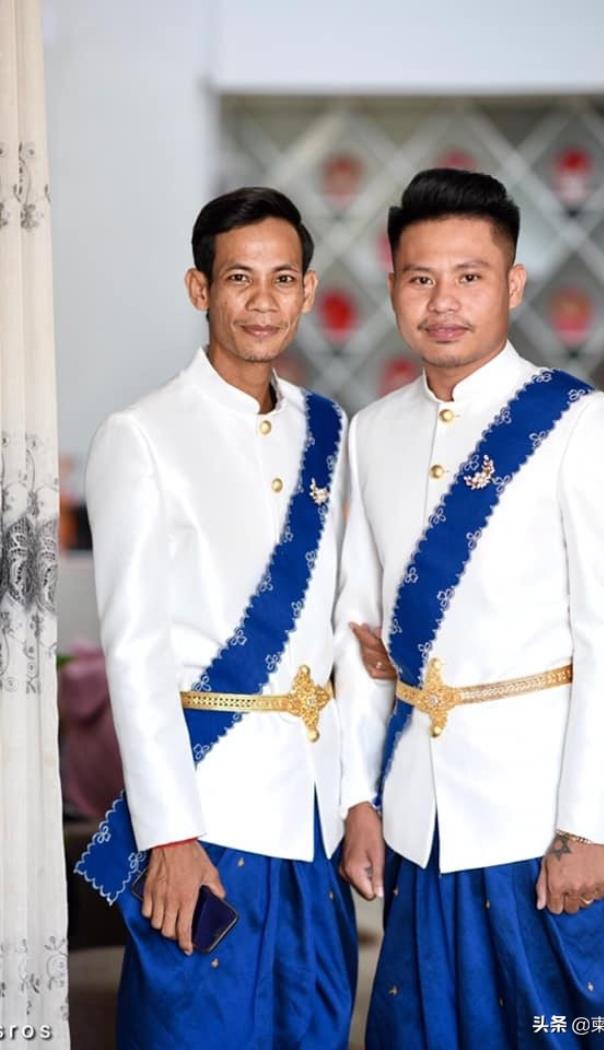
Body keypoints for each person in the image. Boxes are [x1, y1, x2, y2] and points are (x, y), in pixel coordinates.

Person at [336, 168, 604, 1049]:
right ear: (394, 287)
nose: (444, 302)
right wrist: (359, 801)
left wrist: (586, 826)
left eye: (469, 276)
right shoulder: (371, 431)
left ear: (514, 284)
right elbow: (360, 634)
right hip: (417, 823)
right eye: (420, 278)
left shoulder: (577, 422)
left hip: (536, 826)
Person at [76, 187, 356, 1048]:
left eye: (282, 279)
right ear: (200, 288)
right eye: (240, 278)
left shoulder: (329, 428)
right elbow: (134, 653)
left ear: (308, 290)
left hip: (312, 818)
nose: (263, 301)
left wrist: (355, 801)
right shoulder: (142, 435)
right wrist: (170, 836)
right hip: (208, 819)